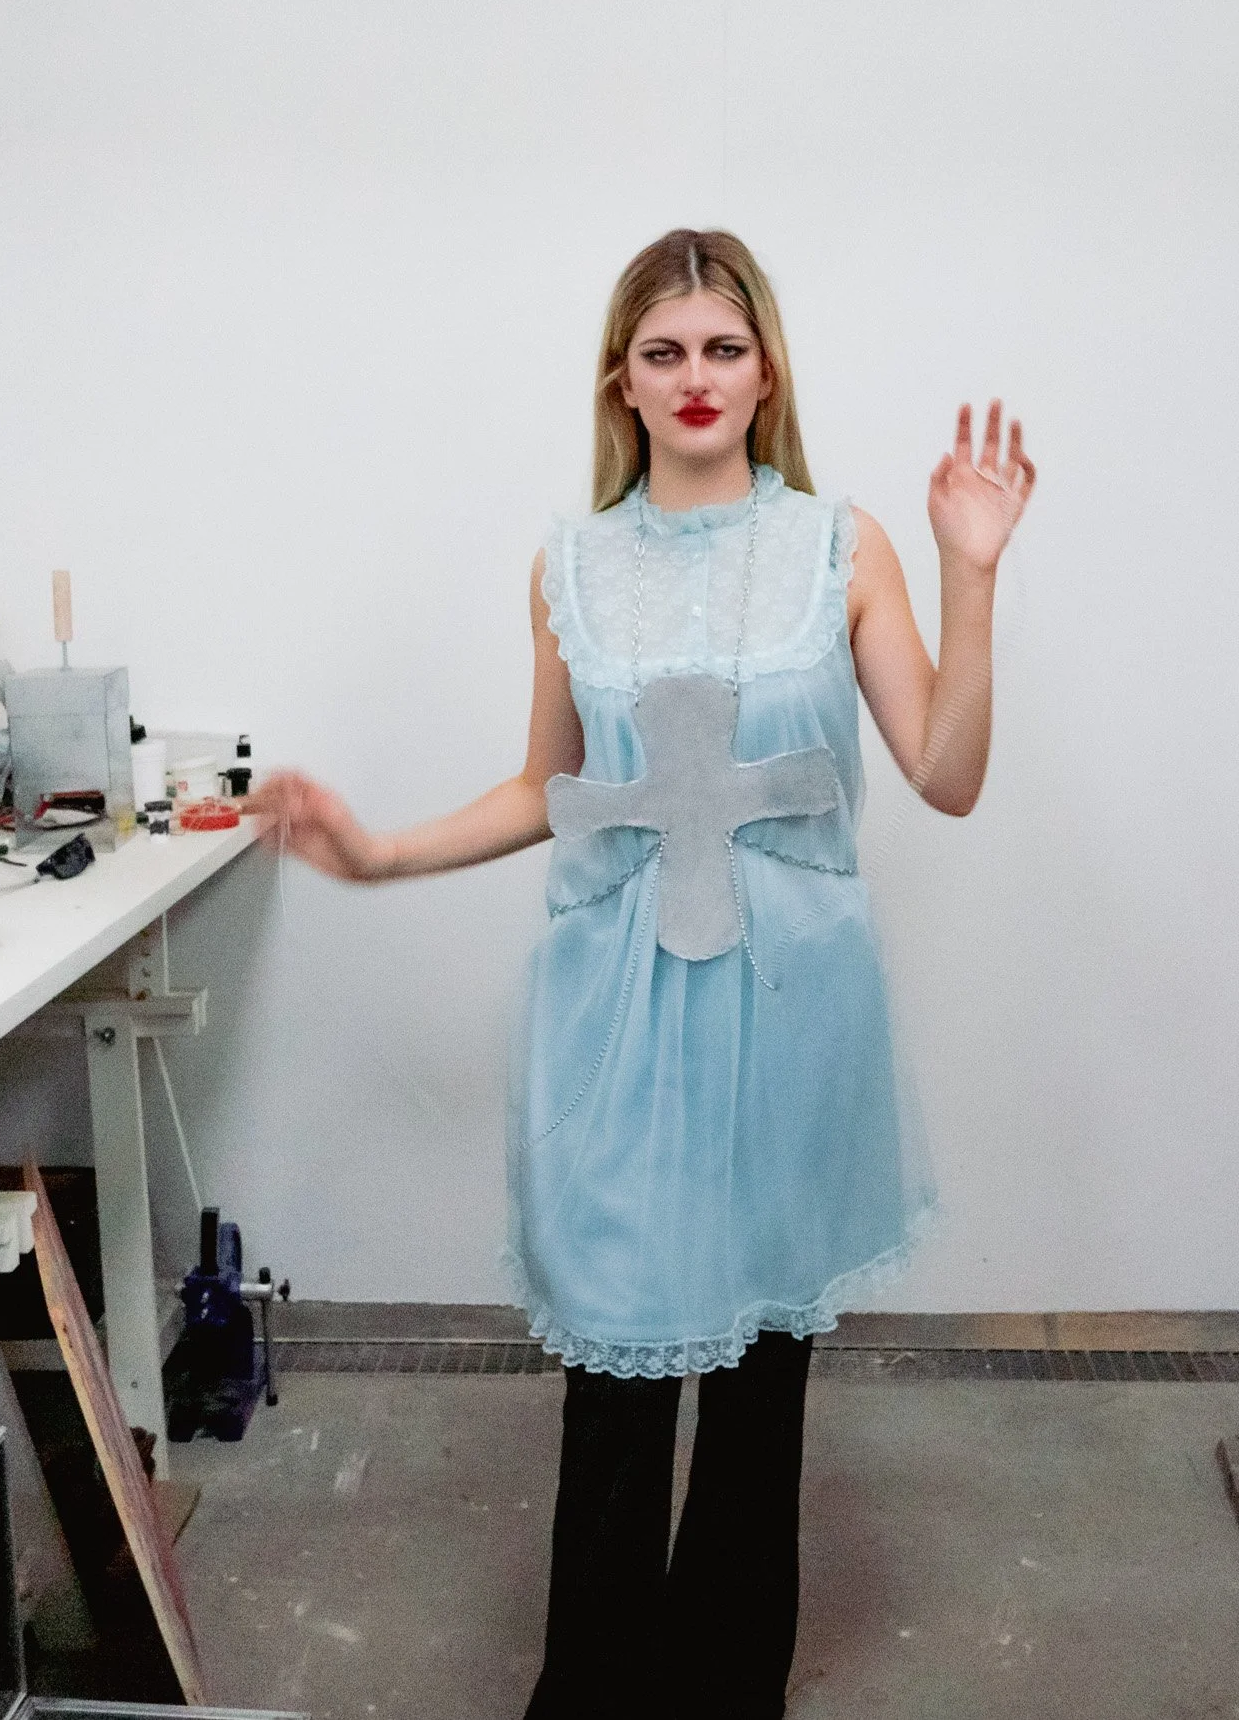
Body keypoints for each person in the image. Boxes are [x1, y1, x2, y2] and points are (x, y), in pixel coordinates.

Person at [244, 228, 1035, 1718]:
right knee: (615, 1381)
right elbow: (545, 784)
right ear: (622, 379)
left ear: (767, 371)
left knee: (756, 1390)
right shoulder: (576, 563)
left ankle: (730, 1689)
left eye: (723, 348)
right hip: (618, 1014)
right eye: (664, 352)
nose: (695, 377)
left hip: (792, 1012)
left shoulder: (838, 546)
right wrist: (379, 854)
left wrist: (969, 573)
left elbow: (946, 772)